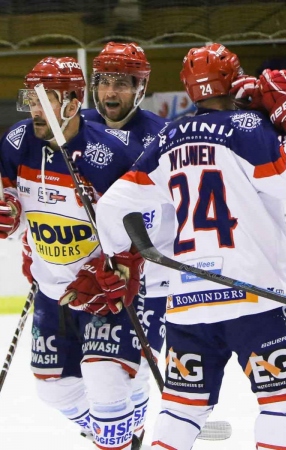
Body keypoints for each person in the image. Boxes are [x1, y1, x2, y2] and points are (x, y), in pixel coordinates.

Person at [94, 42, 286, 449]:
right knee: (282, 403)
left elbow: (116, 205)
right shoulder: (247, 127)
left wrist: (120, 255)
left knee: (181, 410)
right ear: (233, 78)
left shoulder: (168, 134)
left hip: (187, 303)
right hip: (255, 300)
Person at [0, 56, 150, 450]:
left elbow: (141, 227)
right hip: (53, 290)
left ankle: (116, 431)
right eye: (31, 99)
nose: (35, 108)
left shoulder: (108, 154)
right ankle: (122, 428)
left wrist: (118, 269)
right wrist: (9, 214)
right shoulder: (17, 142)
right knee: (54, 390)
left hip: (100, 288)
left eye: (45, 98)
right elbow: (11, 202)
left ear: (71, 101)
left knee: (104, 378)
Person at [82, 41, 171, 443]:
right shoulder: (77, 128)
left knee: (133, 373)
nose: (110, 92)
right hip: (96, 276)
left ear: (141, 86)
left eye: (122, 83)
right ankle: (116, 429)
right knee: (92, 379)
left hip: (152, 277)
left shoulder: (162, 136)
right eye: (103, 82)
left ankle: (127, 430)